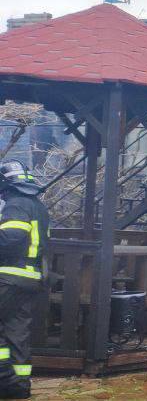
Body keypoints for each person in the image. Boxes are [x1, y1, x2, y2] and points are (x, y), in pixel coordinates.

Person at [0, 161, 48, 400]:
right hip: (30, 277)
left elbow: (11, 238)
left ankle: (3, 379)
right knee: (17, 331)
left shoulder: (16, 205)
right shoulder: (37, 206)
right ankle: (18, 387)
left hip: (9, 276)